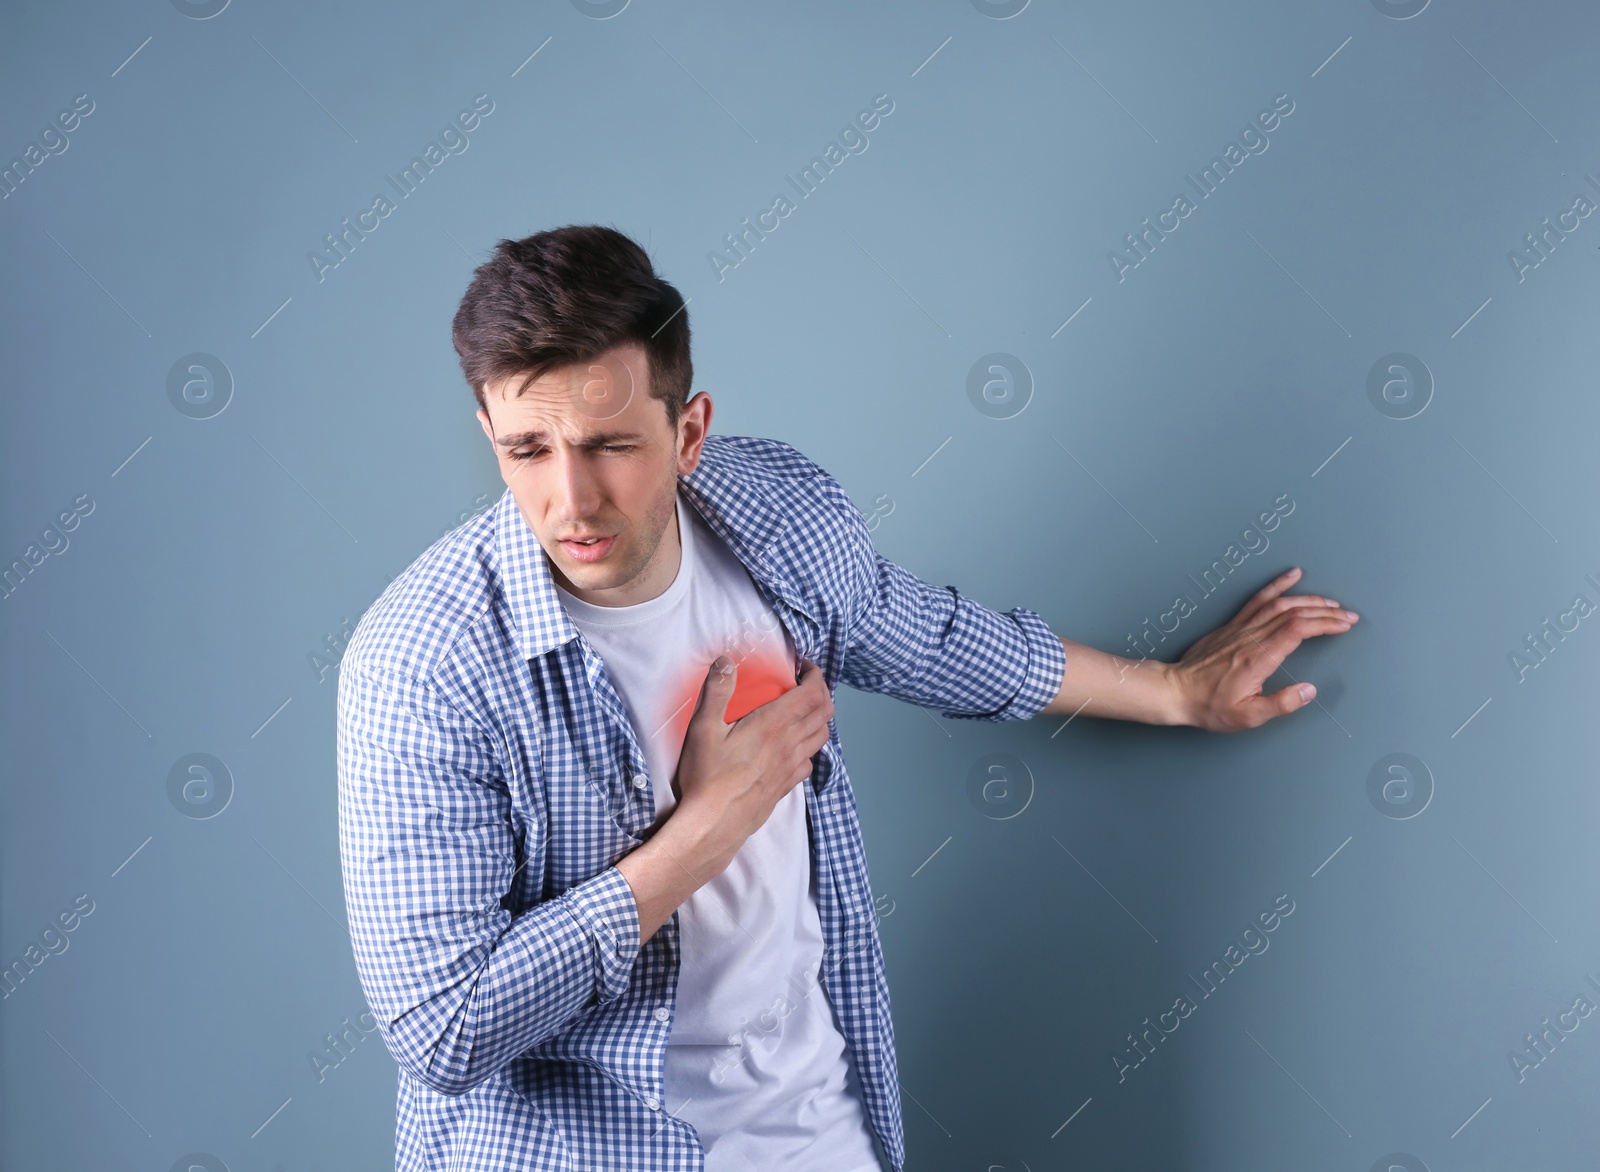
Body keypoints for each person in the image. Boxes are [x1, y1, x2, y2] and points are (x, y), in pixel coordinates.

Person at [335, 224, 1359, 1172]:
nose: (571, 498)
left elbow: (933, 638)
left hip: (814, 1132)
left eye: (611, 444)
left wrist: (1175, 691)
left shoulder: (774, 517)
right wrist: (708, 826)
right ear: (488, 429)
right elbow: (443, 1025)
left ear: (689, 431)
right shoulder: (421, 666)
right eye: (526, 450)